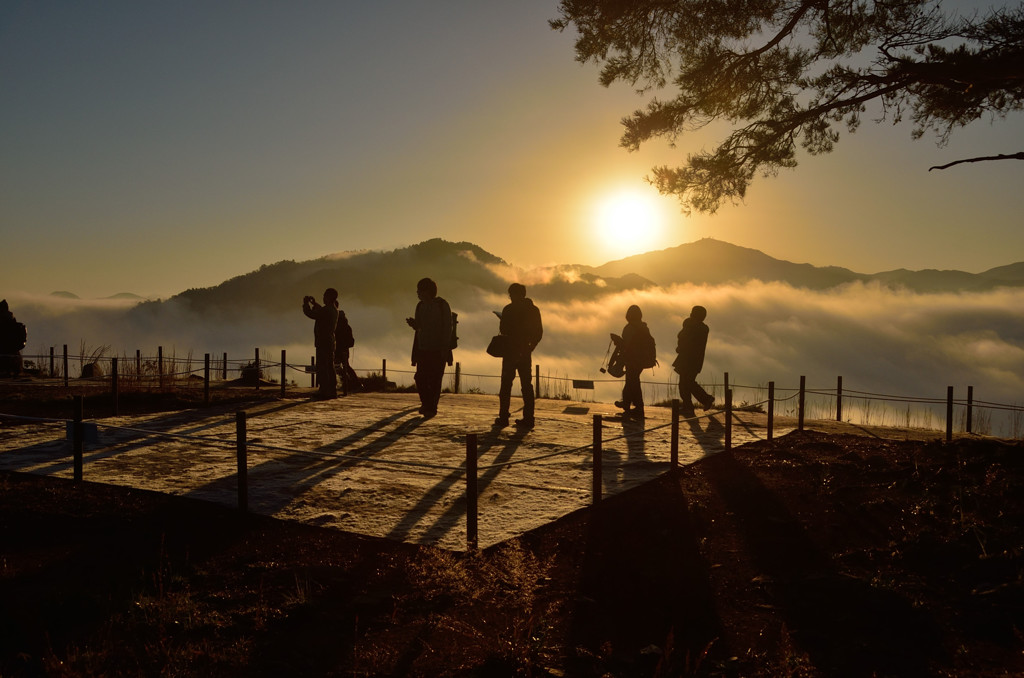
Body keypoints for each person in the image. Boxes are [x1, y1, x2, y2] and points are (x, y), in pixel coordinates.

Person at [494, 283, 543, 428]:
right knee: (526, 386)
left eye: (510, 294)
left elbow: (503, 329)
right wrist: (531, 346)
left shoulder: (508, 309)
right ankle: (529, 418)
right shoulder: (533, 310)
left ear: (513, 294)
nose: (510, 297)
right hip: (525, 352)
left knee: (506, 385)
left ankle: (503, 417)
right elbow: (539, 332)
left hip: (509, 351)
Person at [406, 277, 452, 419]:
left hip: (438, 349)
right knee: (420, 378)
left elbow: (447, 328)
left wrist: (445, 348)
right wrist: (414, 324)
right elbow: (420, 327)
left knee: (435, 379)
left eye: (420, 290)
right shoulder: (420, 306)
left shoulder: (442, 305)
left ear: (427, 291)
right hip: (423, 348)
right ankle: (426, 404)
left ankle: (431, 408)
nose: (418, 293)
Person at [673, 305, 715, 417]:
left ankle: (695, 404)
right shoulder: (702, 328)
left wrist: (680, 347)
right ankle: (700, 401)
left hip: (688, 359)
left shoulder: (692, 326)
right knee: (688, 383)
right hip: (695, 360)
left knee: (685, 383)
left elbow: (683, 338)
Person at [613, 304, 654, 419]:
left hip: (632, 358)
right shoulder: (644, 327)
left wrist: (618, 342)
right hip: (642, 359)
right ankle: (627, 403)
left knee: (633, 381)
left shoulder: (629, 328)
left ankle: (637, 406)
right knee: (632, 380)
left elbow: (626, 345)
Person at [302, 288, 340, 399]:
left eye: (324, 296)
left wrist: (305, 304)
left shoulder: (327, 310)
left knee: (323, 366)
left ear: (328, 297)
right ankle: (332, 390)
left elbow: (312, 314)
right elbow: (321, 311)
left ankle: (324, 391)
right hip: (330, 341)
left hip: (323, 341)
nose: (323, 298)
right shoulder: (333, 310)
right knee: (329, 366)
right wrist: (315, 303)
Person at [334, 308, 362, 395]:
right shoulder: (347, 327)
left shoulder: (336, 326)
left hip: (338, 349)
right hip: (345, 350)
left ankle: (346, 383)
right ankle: (354, 384)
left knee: (337, 367)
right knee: (346, 367)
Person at [0, 300, 26, 378]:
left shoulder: (2, 317)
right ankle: (13, 371)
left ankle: (6, 371)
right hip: (12, 344)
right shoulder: (11, 317)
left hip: (4, 343)